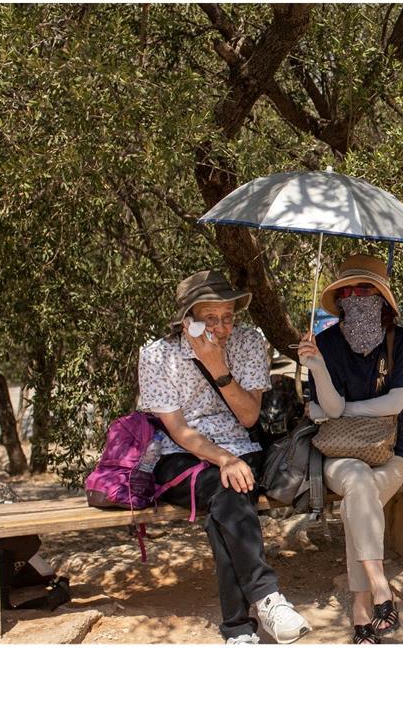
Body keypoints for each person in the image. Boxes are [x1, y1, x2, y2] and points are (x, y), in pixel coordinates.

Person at [139, 270, 311, 645]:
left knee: (228, 498)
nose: (222, 327)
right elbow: (179, 431)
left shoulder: (249, 343)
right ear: (188, 321)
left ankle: (239, 629)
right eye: (210, 318)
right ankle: (266, 597)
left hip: (241, 448)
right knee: (228, 485)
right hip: (181, 456)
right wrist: (223, 459)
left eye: (228, 316)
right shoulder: (156, 356)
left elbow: (249, 416)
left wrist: (219, 368)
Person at [296, 254, 403, 645]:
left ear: (382, 297)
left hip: (390, 453)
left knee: (359, 496)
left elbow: (394, 404)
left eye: (364, 288)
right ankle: (380, 589)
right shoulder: (327, 342)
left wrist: (342, 409)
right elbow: (328, 408)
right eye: (346, 290)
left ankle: (362, 612)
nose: (355, 296)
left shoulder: (402, 340)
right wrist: (316, 366)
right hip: (340, 456)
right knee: (358, 483)